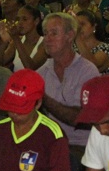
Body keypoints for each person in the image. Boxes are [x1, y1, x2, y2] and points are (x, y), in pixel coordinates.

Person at [38, 13, 100, 155]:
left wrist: (46, 100)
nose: (47, 39)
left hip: (82, 146)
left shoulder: (87, 71)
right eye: (45, 33)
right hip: (51, 144)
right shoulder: (41, 73)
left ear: (70, 36)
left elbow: (84, 119)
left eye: (54, 33)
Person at [0, 5, 46, 72]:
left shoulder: (45, 43)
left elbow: (30, 68)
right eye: (18, 19)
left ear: (36, 21)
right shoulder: (16, 42)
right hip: (17, 82)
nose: (20, 23)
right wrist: (4, 42)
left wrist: (16, 38)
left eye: (24, 19)